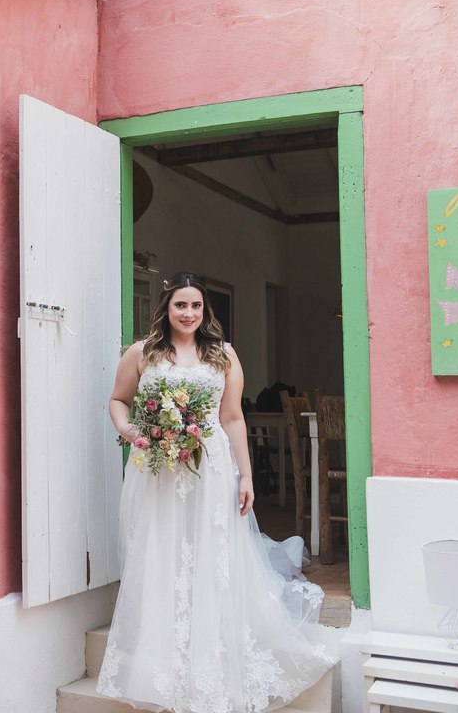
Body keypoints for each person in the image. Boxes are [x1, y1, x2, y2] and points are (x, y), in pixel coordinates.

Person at [96, 272, 335, 713]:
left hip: (211, 468)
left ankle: (212, 656)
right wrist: (134, 433)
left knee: (211, 554)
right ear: (165, 308)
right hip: (157, 470)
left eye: (196, 306)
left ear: (206, 312)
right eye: (180, 305)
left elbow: (232, 419)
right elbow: (117, 400)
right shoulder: (141, 353)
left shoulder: (222, 355)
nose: (189, 313)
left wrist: (246, 477)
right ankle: (161, 664)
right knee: (161, 554)